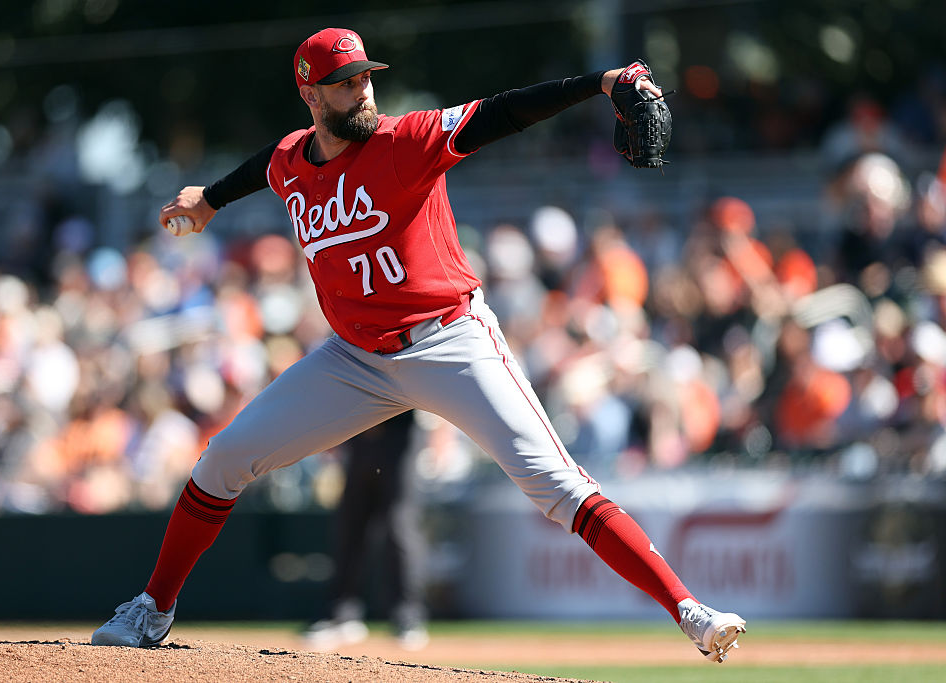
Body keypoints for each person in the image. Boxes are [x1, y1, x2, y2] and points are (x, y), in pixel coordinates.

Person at [91, 27, 746, 662]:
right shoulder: (293, 159)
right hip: (354, 359)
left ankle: (689, 609)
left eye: (365, 78)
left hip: (450, 339)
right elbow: (267, 162)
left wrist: (601, 83)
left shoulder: (408, 139)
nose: (362, 92)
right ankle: (153, 607)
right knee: (224, 457)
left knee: (554, 485)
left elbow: (503, 112)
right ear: (312, 97)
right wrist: (209, 199)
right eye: (344, 84)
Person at [301, 410, 429, 651]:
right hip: (359, 433)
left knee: (398, 526)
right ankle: (341, 614)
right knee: (350, 525)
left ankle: (408, 618)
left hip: (399, 434)